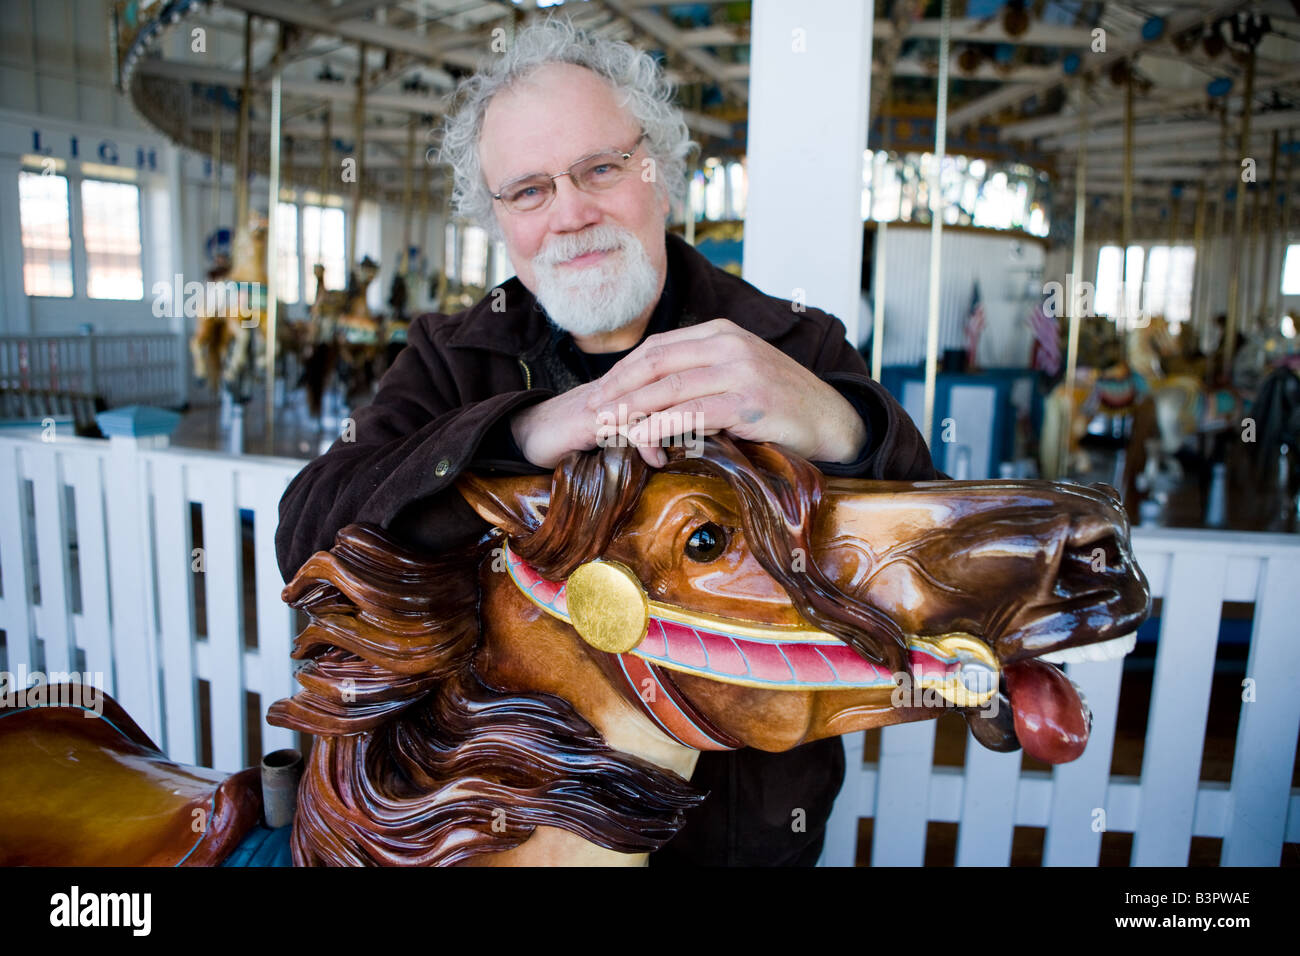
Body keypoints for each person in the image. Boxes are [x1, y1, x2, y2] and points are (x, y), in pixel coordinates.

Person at [275, 16, 940, 866]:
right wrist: (522, 432)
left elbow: (924, 556)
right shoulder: (452, 358)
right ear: (500, 219)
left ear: (659, 173)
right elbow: (308, 533)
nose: (571, 213)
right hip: (502, 834)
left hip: (730, 833)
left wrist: (841, 423)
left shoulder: (790, 343)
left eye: (601, 168)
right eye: (528, 191)